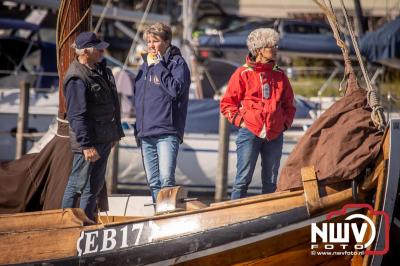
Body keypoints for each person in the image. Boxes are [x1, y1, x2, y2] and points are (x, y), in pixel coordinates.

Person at [220, 28, 296, 199]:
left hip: (275, 134)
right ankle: (234, 218)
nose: (276, 49)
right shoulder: (243, 73)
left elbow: (289, 104)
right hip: (249, 132)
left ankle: (268, 220)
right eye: (272, 46)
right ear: (259, 50)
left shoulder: (280, 75)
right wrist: (241, 122)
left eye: (276, 45)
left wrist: (284, 123)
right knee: (243, 179)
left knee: (270, 181)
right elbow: (227, 103)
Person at [61, 32, 124, 222]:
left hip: (104, 138)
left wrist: (114, 134)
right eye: (98, 48)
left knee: (94, 186)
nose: (103, 50)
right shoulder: (76, 77)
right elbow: (76, 115)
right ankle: (63, 223)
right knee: (77, 184)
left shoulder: (101, 69)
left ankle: (86, 222)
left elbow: (112, 104)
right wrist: (86, 145)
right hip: (88, 142)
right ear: (86, 52)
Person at [134, 23, 191, 203]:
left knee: (166, 180)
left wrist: (158, 65)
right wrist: (138, 130)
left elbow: (175, 90)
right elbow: (139, 99)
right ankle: (158, 215)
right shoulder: (145, 66)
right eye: (149, 41)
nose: (151, 45)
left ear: (166, 42)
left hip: (167, 131)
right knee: (153, 182)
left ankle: (167, 217)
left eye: (155, 41)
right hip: (146, 132)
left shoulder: (177, 63)